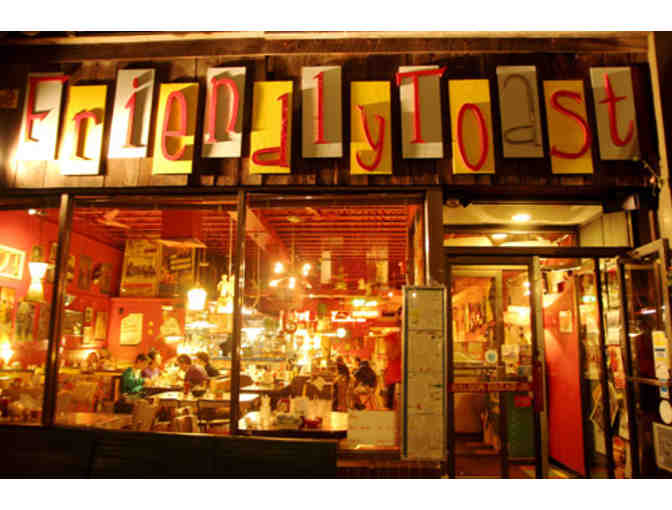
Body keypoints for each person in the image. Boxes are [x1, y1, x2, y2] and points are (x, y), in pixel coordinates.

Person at [383, 331, 401, 409]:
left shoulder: (398, 347)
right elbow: (391, 356)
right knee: (391, 406)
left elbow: (392, 356)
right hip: (393, 379)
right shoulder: (396, 345)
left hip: (396, 378)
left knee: (394, 406)